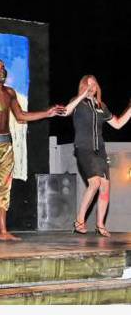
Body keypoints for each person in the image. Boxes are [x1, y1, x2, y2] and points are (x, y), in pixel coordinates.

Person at [0, 59, 63, 241]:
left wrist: (47, 113)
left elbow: (21, 116)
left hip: (6, 145)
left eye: (2, 68)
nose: (1, 70)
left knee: (3, 186)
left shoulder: (9, 93)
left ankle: (2, 231)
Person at [61, 75, 131, 238]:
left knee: (105, 187)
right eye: (88, 84)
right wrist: (81, 96)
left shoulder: (101, 106)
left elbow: (118, 124)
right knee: (95, 183)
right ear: (82, 86)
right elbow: (65, 112)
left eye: (94, 84)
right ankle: (79, 221)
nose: (91, 87)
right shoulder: (77, 102)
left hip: (100, 150)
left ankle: (100, 225)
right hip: (84, 148)